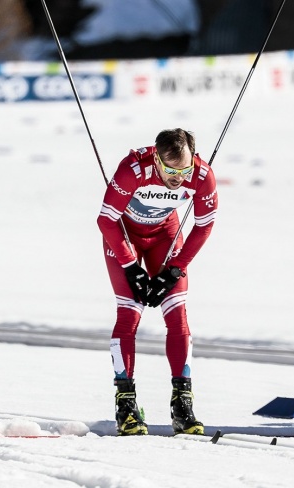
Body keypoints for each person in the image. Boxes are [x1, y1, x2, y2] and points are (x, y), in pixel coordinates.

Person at [97, 128, 218, 436]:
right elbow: (106, 220)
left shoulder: (202, 176)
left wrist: (175, 269)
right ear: (156, 158)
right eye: (171, 171)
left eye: (185, 169)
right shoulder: (133, 170)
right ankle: (126, 407)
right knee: (129, 314)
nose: (179, 178)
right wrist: (129, 266)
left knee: (177, 314)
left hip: (165, 235)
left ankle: (183, 407)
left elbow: (204, 226)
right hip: (125, 237)